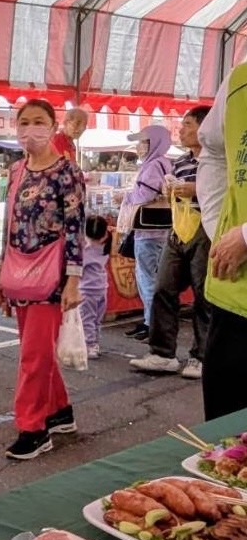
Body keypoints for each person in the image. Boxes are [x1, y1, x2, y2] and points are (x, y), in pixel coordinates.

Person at [0, 99, 84, 460]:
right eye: (24, 122)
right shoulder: (17, 170)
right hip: (19, 272)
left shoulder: (67, 172)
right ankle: (59, 410)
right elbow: (9, 224)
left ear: (52, 125)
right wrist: (2, 275)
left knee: (33, 356)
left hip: (52, 275)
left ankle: (33, 429)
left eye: (38, 122)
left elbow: (76, 228)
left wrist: (74, 279)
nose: (30, 129)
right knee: (38, 351)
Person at [130, 106, 211, 379]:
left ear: (205, 127)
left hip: (206, 230)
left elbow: (224, 192)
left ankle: (201, 356)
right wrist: (170, 188)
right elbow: (170, 191)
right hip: (176, 230)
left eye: (188, 124)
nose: (182, 129)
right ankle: (162, 353)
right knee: (163, 288)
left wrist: (194, 189)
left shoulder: (217, 161)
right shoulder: (180, 162)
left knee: (204, 295)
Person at [196, 61, 247, 419]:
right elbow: (212, 151)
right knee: (224, 437)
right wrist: (218, 225)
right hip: (235, 291)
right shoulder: (240, 78)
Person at [121, 125, 174, 341]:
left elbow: (144, 195)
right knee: (151, 278)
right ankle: (148, 321)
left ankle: (152, 324)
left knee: (146, 278)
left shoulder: (153, 166)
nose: (139, 146)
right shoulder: (165, 163)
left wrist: (126, 198)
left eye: (143, 142)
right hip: (161, 230)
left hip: (148, 231)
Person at [79, 215, 110, 359]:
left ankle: (89, 345)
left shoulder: (85, 249)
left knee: (87, 319)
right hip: (102, 288)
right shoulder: (104, 248)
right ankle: (95, 343)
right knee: (97, 319)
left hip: (86, 290)